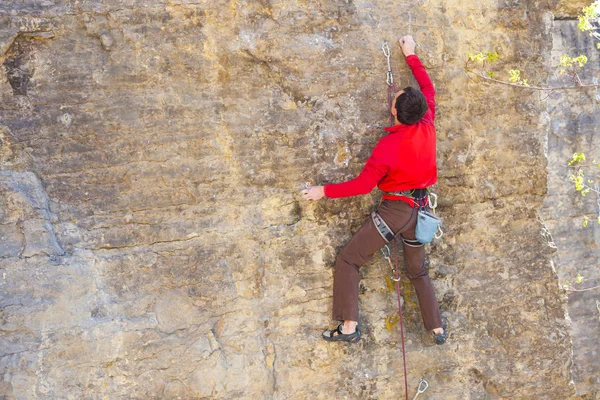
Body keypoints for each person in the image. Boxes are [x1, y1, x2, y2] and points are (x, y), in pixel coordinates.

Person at [302, 35, 446, 345]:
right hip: (421, 211)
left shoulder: (388, 146)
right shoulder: (428, 122)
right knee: (417, 271)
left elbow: (363, 186)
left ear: (395, 112)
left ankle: (349, 327)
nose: (394, 97)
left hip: (395, 212)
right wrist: (411, 55)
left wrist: (323, 191)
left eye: (397, 97)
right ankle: (436, 328)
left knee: (349, 260)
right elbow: (429, 88)